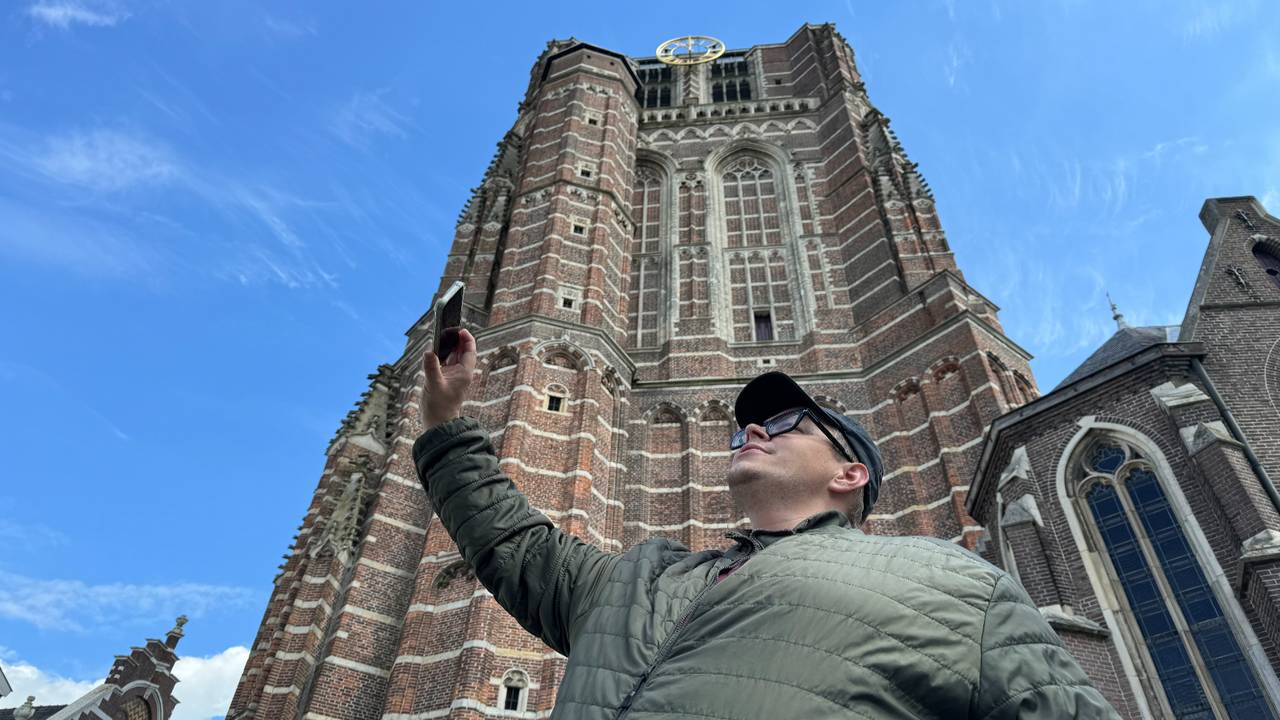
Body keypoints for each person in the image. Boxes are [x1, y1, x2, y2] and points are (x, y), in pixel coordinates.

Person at [415, 329, 1119, 719]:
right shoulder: (641, 579)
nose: (752, 428)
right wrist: (445, 424)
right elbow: (513, 543)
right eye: (745, 426)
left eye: (786, 423)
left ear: (851, 474)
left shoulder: (949, 581)